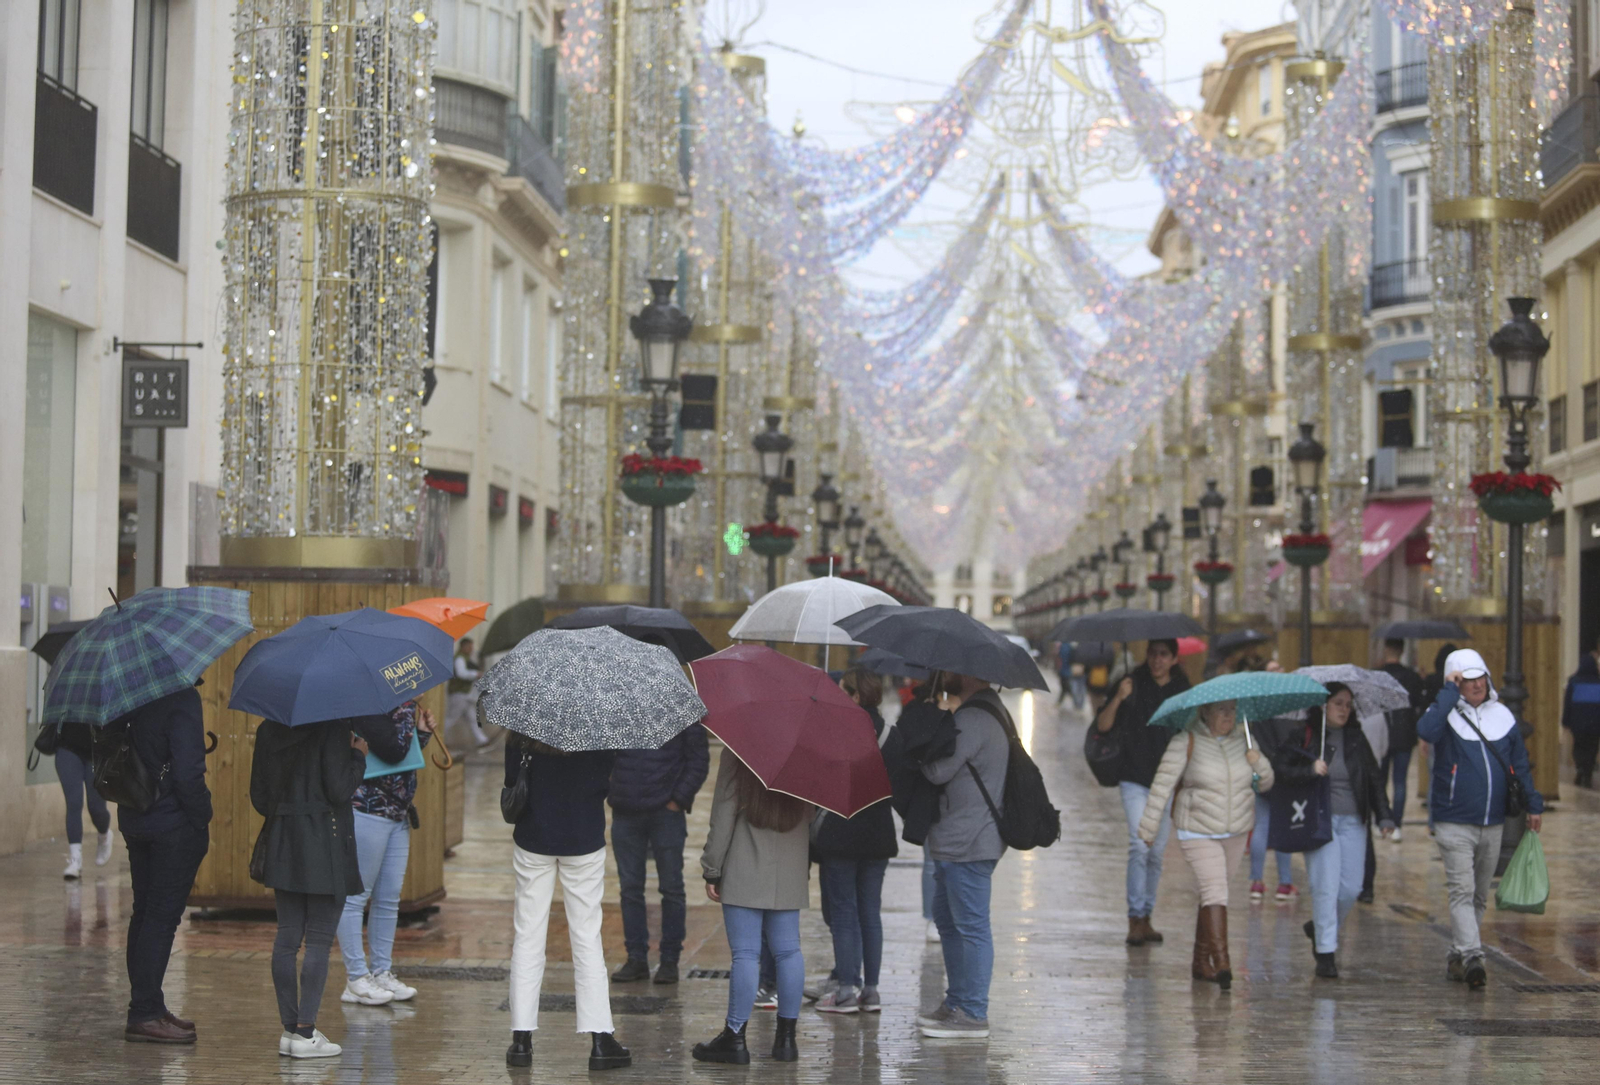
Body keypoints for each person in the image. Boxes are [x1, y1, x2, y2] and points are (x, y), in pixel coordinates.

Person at [1417, 647, 1545, 989]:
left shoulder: (1503, 716)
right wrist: (1447, 691)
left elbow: (1519, 764)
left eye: (1480, 678)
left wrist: (1534, 804)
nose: (1476, 685)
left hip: (1493, 822)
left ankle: (1458, 955)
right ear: (1455, 682)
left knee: (1478, 895)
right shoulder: (1443, 715)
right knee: (1462, 889)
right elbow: (1426, 730)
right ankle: (1474, 955)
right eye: (1466, 679)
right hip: (1453, 820)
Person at [503, 735, 630, 1070]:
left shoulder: (522, 729)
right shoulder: (598, 730)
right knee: (587, 938)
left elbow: (511, 781)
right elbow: (604, 786)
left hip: (533, 838)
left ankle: (521, 1040)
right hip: (583, 838)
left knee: (528, 936)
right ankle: (600, 1040)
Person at [1139, 699, 1274, 992]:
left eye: (1233, 710)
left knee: (1214, 893)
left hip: (1236, 830)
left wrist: (1257, 761)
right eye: (1222, 710)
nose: (1229, 715)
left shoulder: (1245, 739)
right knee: (1215, 891)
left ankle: (1200, 962)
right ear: (1205, 712)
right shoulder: (1185, 741)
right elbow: (1162, 784)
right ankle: (1222, 962)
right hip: (1197, 829)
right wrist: (1149, 826)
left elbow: (1265, 783)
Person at [252, 716, 367, 1059]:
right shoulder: (334, 727)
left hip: (283, 842)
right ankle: (305, 1031)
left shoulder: (268, 728)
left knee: (287, 937)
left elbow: (259, 798)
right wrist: (357, 756)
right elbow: (339, 789)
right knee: (318, 940)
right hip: (325, 845)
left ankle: (290, 1031)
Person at [693, 748, 812, 1065]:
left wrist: (712, 867)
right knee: (789, 951)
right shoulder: (807, 753)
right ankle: (786, 1041)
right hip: (791, 862)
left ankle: (734, 1038)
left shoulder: (739, 749)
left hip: (745, 860)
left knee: (746, 954)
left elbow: (724, 811)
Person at [1270, 683, 1395, 979]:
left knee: (1351, 887)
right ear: (1323, 705)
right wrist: (1310, 769)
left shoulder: (1356, 738)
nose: (1343, 709)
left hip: (1354, 821)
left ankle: (1320, 927)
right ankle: (1326, 953)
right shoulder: (1305, 735)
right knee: (1326, 886)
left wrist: (1385, 816)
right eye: (1338, 703)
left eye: (1348, 705)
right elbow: (1280, 770)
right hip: (1319, 820)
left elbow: (1373, 777)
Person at [914, 671, 1011, 1040]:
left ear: (972, 674)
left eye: (954, 669)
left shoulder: (973, 718)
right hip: (961, 838)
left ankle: (973, 1012)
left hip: (969, 840)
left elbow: (939, 772)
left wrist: (916, 750)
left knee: (971, 926)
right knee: (949, 920)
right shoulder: (985, 711)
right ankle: (956, 1003)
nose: (947, 674)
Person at [118, 685, 212, 1044]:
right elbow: (189, 774)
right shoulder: (181, 697)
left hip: (135, 816)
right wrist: (203, 816)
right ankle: (143, 1013)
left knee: (143, 913)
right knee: (160, 918)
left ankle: (149, 1005)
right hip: (172, 824)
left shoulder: (130, 694)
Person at [812, 668, 904, 1014]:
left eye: (841, 691)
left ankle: (846, 990)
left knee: (844, 914)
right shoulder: (891, 735)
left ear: (854, 696)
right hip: (878, 835)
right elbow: (897, 786)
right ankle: (872, 990)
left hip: (840, 834)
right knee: (870, 913)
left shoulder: (832, 732)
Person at [336, 702, 436, 1007]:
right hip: (369, 810)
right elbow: (392, 750)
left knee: (389, 896)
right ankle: (356, 977)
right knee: (356, 895)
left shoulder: (392, 708)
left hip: (397, 812)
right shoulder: (368, 705)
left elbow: (402, 757)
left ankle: (381, 971)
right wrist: (406, 713)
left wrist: (420, 734)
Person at [1093, 639, 1192, 946]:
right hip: (1133, 779)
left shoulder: (1182, 692)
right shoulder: (1131, 683)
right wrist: (1119, 698)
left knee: (1156, 853)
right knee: (1140, 844)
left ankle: (1147, 916)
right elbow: (1103, 726)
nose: (1156, 660)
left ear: (1174, 658)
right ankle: (1134, 917)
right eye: (1152, 653)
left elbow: (1188, 735)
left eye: (1163, 654)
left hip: (1165, 781)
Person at [607, 715, 710, 987]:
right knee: (630, 889)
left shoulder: (682, 709)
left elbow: (698, 760)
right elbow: (603, 752)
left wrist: (678, 800)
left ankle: (669, 960)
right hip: (625, 811)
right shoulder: (618, 706)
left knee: (672, 888)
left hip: (666, 814)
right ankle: (636, 958)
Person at [1378, 638, 1426, 840]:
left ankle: (1381, 821)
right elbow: (1418, 703)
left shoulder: (1378, 676)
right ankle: (1396, 825)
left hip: (1382, 732)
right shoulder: (1411, 677)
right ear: (1402, 650)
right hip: (1405, 734)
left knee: (1379, 781)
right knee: (1400, 781)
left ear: (1386, 648)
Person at [1246, 714, 1295, 904]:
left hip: (1261, 775)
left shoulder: (1259, 717)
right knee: (1283, 829)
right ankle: (1284, 882)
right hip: (1283, 779)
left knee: (1261, 825)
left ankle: (1257, 881)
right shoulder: (1286, 715)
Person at [54, 720, 112, 879]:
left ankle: (104, 834)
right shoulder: (66, 694)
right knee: (73, 803)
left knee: (96, 808)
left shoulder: (101, 694)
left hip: (96, 750)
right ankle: (75, 860)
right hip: (67, 747)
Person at [1561, 638, 1600, 788]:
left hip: (1578, 724)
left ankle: (1580, 769)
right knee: (1592, 748)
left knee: (1578, 747)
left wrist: (1565, 721)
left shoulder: (1574, 681)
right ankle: (1588, 772)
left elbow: (1568, 703)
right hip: (1595, 725)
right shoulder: (1598, 682)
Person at [446, 638, 488, 747]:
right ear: (463, 646)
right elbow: (461, 673)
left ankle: (481, 739)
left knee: (472, 718)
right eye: (469, 647)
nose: (471, 649)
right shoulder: (459, 659)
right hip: (459, 693)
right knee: (452, 718)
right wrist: (476, 674)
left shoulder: (464, 658)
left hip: (466, 694)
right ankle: (438, 736)